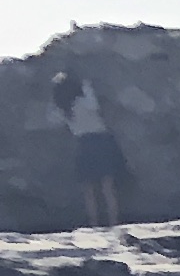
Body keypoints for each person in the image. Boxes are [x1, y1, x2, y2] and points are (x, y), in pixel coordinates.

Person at [49, 71, 130, 229]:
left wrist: (54, 99)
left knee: (89, 188)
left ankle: (94, 223)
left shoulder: (64, 109)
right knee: (107, 186)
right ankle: (114, 222)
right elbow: (94, 106)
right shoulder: (83, 101)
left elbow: (51, 119)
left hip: (83, 143)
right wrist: (86, 85)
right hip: (102, 140)